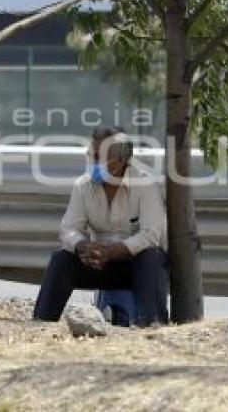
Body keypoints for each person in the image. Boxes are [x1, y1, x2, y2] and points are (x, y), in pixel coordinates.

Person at [33, 127, 169, 326]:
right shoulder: (83, 185)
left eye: (99, 157)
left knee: (151, 256)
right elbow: (68, 229)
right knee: (61, 259)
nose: (93, 163)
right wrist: (83, 246)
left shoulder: (145, 184)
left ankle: (153, 324)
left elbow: (151, 235)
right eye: (91, 155)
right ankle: (41, 323)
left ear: (121, 160)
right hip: (99, 264)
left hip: (136, 266)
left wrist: (113, 251)